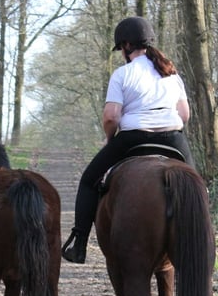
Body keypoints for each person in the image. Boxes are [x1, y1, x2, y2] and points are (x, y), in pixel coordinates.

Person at [61, 16, 196, 264]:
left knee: (88, 180)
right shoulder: (172, 74)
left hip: (133, 138)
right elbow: (184, 115)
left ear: (125, 45)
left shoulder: (122, 74)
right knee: (197, 187)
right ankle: (202, 240)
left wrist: (109, 138)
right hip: (173, 139)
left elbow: (111, 116)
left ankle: (79, 243)